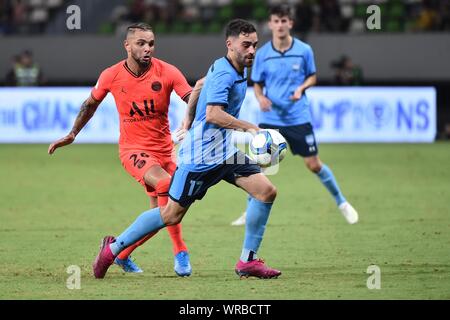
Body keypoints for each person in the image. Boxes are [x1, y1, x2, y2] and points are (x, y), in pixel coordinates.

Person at [92, 19, 282, 280]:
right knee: (170, 214)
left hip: (223, 150)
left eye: (254, 45)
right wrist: (249, 127)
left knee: (265, 191)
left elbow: (200, 85)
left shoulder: (230, 67)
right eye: (246, 45)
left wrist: (187, 120)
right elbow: (214, 114)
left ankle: (247, 261)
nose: (251, 50)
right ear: (230, 44)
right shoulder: (226, 73)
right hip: (201, 157)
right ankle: (112, 250)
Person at [48, 22, 200, 277]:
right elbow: (90, 104)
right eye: (141, 43)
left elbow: (190, 98)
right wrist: (73, 133)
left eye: (151, 43)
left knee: (166, 213)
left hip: (164, 151)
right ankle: (180, 252)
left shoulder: (168, 71)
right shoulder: (112, 74)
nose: (147, 48)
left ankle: (120, 253)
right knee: (167, 188)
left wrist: (201, 109)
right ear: (127, 45)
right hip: (134, 151)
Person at [230, 5, 358, 227]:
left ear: (291, 23)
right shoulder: (262, 54)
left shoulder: (304, 50)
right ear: (270, 24)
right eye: (276, 21)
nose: (280, 25)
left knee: (314, 165)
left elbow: (312, 77)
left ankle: (342, 202)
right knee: (259, 168)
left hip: (298, 117)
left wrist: (302, 89)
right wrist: (260, 98)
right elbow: (258, 84)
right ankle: (249, 211)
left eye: (284, 21)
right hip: (271, 119)